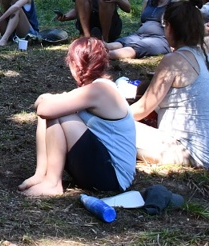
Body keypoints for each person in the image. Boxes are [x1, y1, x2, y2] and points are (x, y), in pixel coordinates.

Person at [19, 37, 136, 197]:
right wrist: (46, 99)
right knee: (53, 110)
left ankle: (52, 183)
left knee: (57, 113)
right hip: (103, 169)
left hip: (112, 177)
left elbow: (45, 108)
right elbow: (45, 106)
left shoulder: (100, 90)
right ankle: (41, 174)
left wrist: (46, 99)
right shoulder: (95, 88)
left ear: (76, 65)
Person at [128, 0, 209, 168]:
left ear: (170, 27)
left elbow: (143, 109)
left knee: (110, 126)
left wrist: (111, 114)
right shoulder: (207, 57)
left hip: (194, 151)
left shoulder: (174, 60)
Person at [105, 0, 174, 60]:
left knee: (136, 47)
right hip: (139, 35)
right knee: (121, 42)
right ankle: (95, 49)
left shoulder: (173, 3)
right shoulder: (147, 0)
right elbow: (141, 22)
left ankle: (102, 56)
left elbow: (177, 26)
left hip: (159, 39)